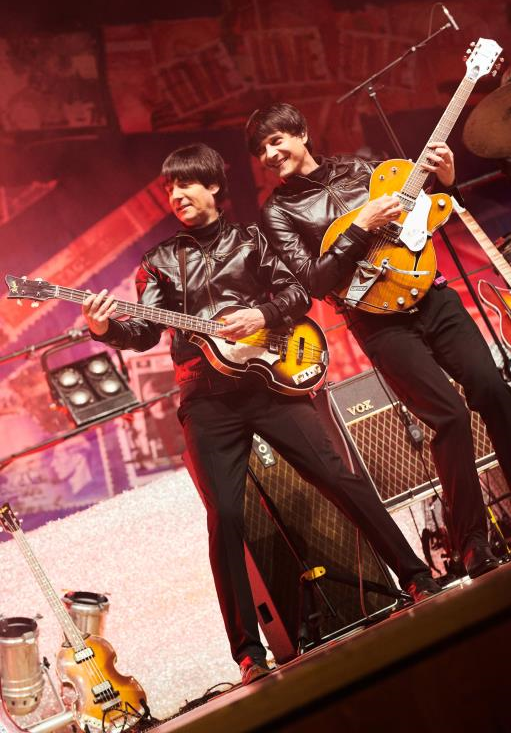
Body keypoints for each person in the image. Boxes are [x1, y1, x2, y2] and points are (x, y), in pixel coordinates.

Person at [82, 142, 439, 685]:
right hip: (205, 397)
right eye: (170, 188)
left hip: (270, 383)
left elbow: (298, 294)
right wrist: (105, 327)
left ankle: (414, 576)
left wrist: (261, 315)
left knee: (339, 477)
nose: (177, 195)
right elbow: (145, 331)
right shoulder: (158, 262)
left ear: (214, 187)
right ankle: (249, 654)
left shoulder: (252, 239)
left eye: (186, 184)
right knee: (225, 516)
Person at [246, 102, 511, 580]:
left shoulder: (362, 168)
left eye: (276, 140)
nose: (270, 154)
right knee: (449, 416)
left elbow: (421, 219)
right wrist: (359, 227)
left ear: (301, 132)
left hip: (432, 297)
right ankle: (472, 543)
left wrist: (445, 183)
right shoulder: (278, 211)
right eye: (261, 149)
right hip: (378, 325)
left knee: (494, 391)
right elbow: (312, 282)